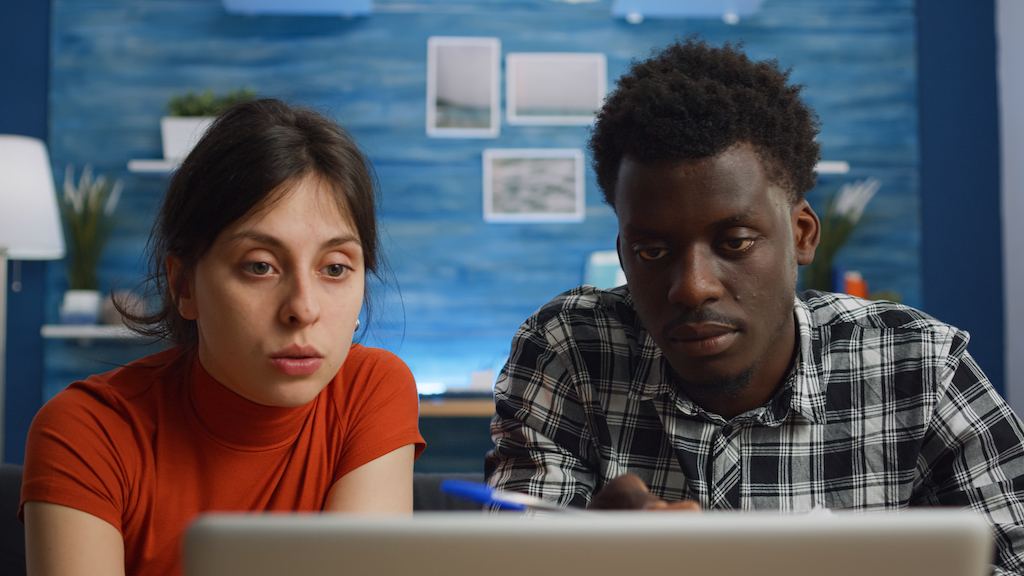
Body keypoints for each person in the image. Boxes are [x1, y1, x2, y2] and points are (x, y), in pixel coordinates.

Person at [485, 38, 1024, 574]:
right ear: (624, 254)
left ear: (802, 235)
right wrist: (588, 563)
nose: (693, 288)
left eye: (735, 242)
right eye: (653, 250)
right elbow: (510, 563)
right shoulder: (570, 352)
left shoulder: (916, 365)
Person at [20, 99, 425, 576]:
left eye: (335, 268)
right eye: (260, 266)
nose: (303, 308)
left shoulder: (370, 390)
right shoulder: (88, 431)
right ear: (183, 286)